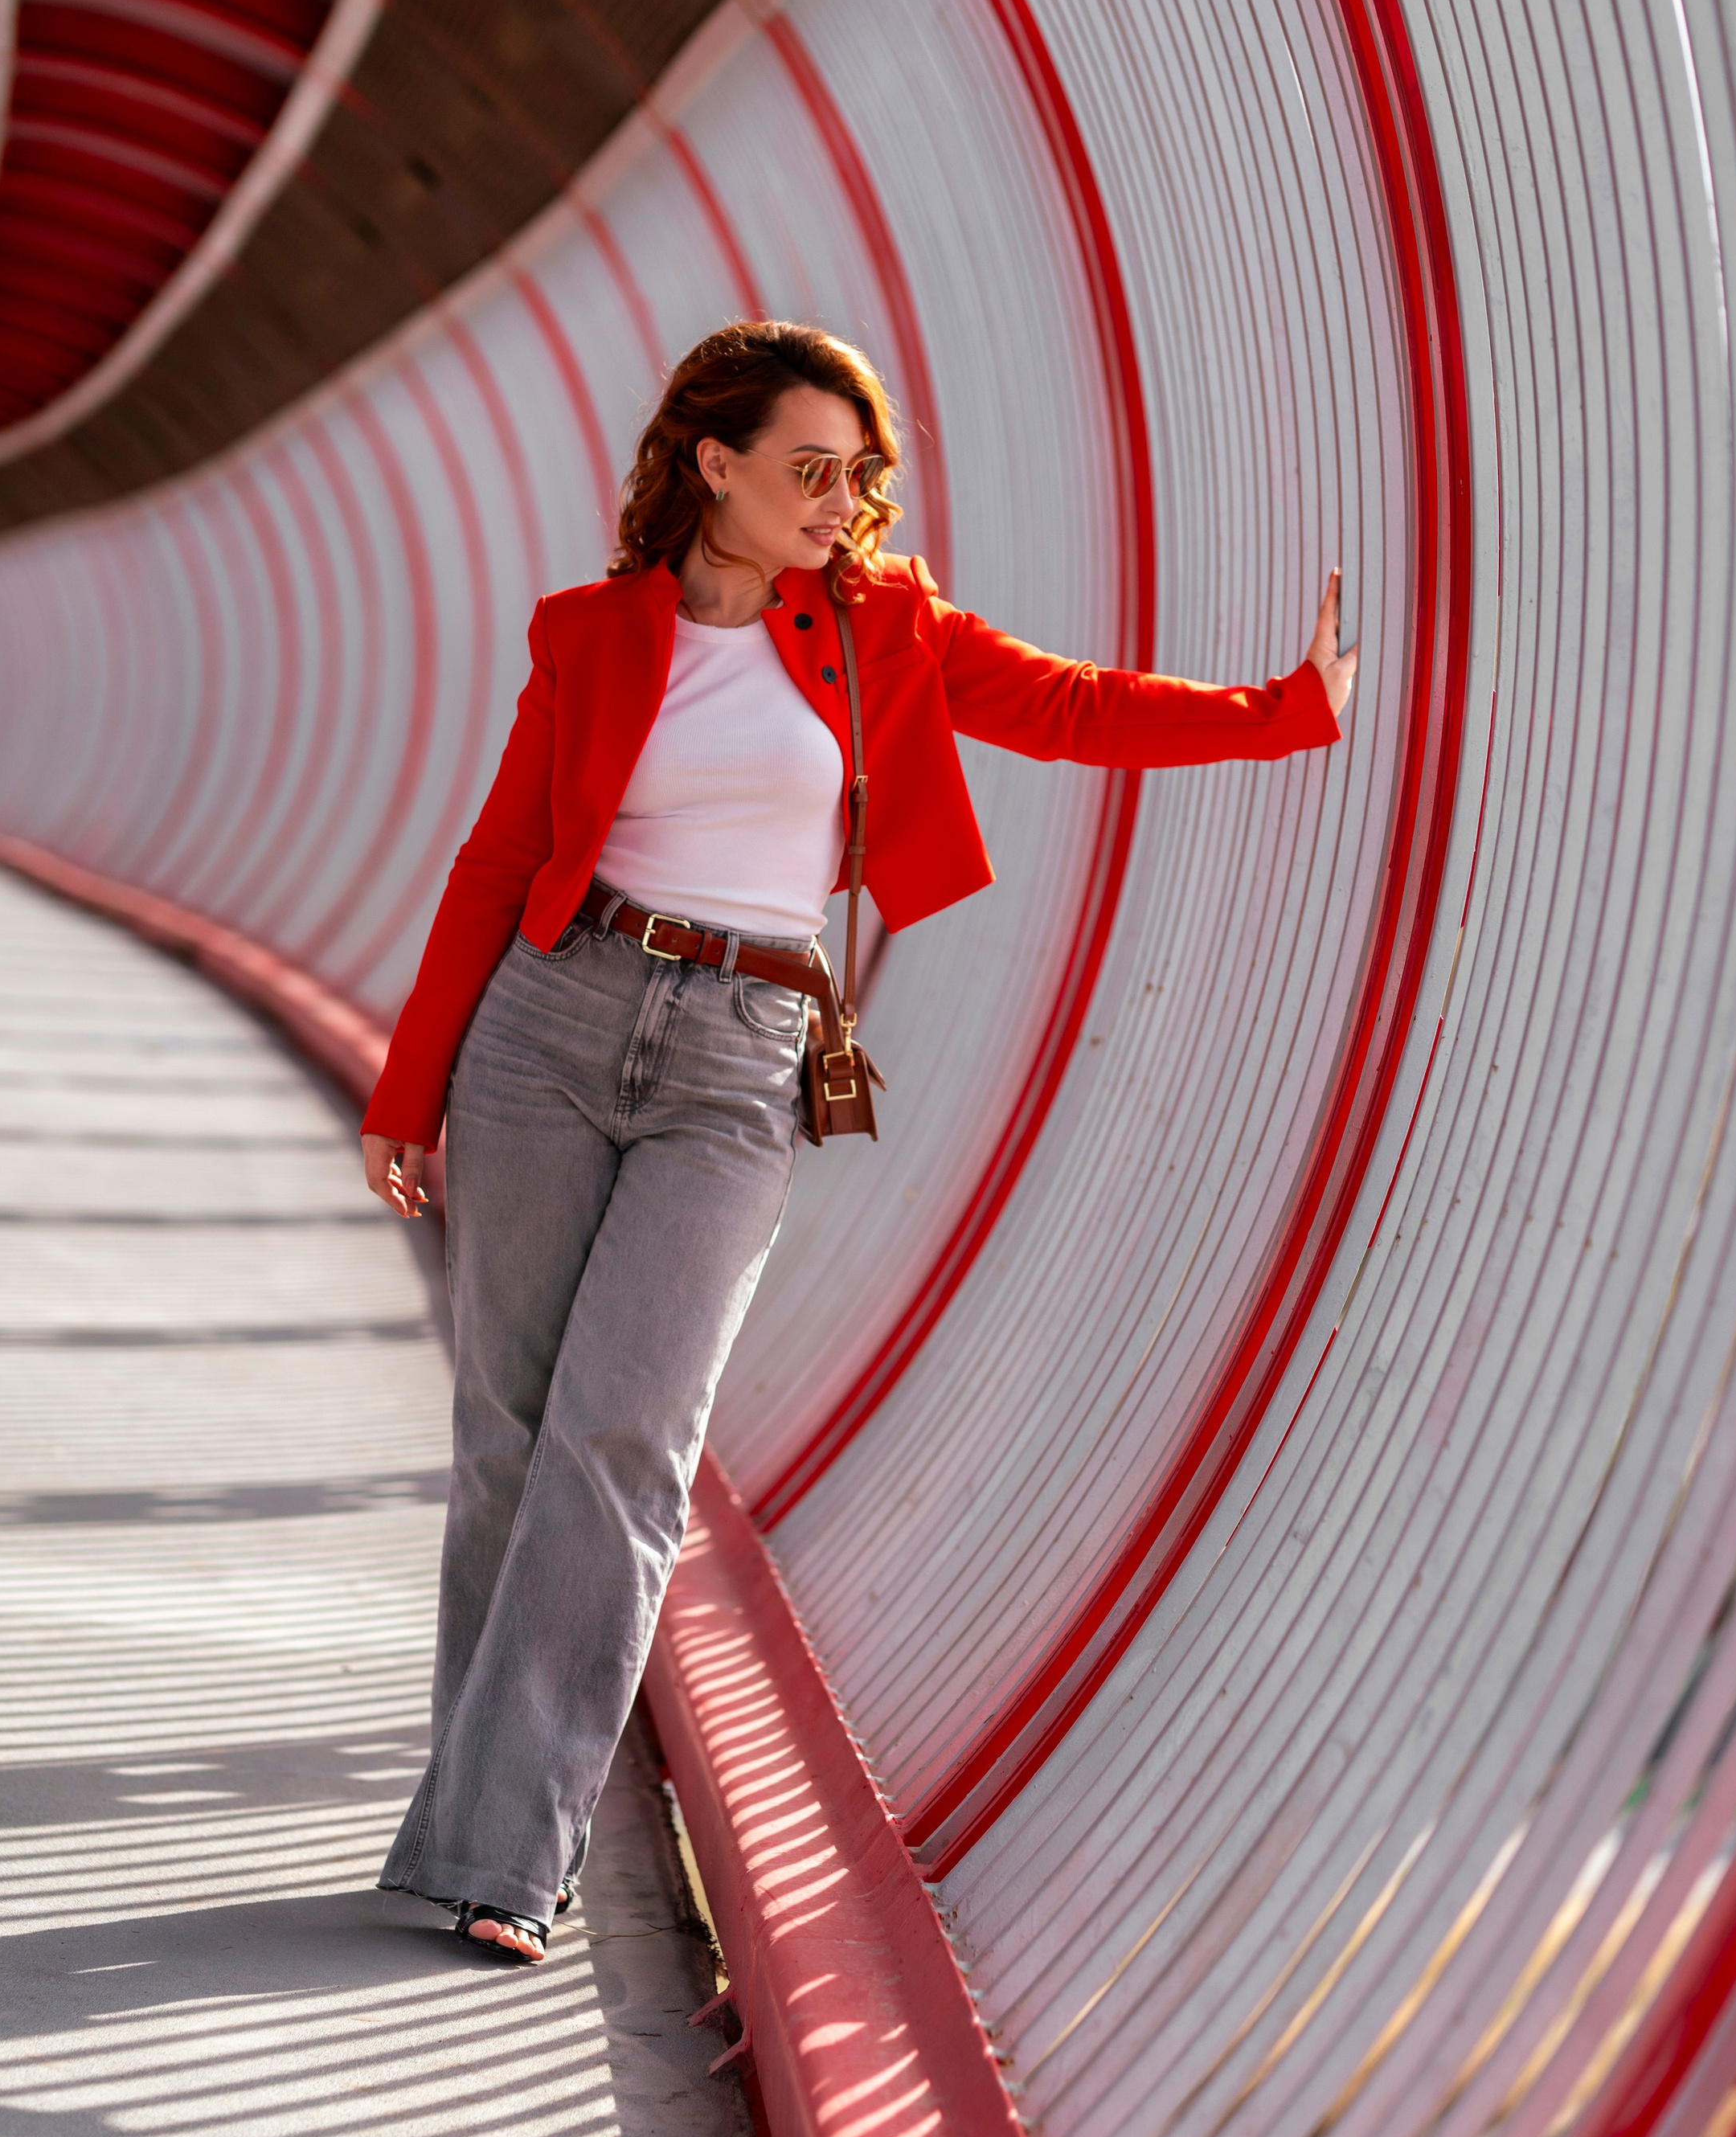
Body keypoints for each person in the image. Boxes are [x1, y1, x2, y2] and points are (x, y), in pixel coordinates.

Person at [361, 320, 1357, 1961]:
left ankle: (495, 1856)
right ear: (715, 465)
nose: (841, 501)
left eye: (860, 474)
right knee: (509, 1432)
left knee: (621, 1443)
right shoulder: (590, 632)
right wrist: (407, 1092)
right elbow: (491, 861)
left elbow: (1061, 706)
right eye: (808, 469)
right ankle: (470, 1821)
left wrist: (1279, 710)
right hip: (545, 1026)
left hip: (743, 1054)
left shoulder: (880, 623)